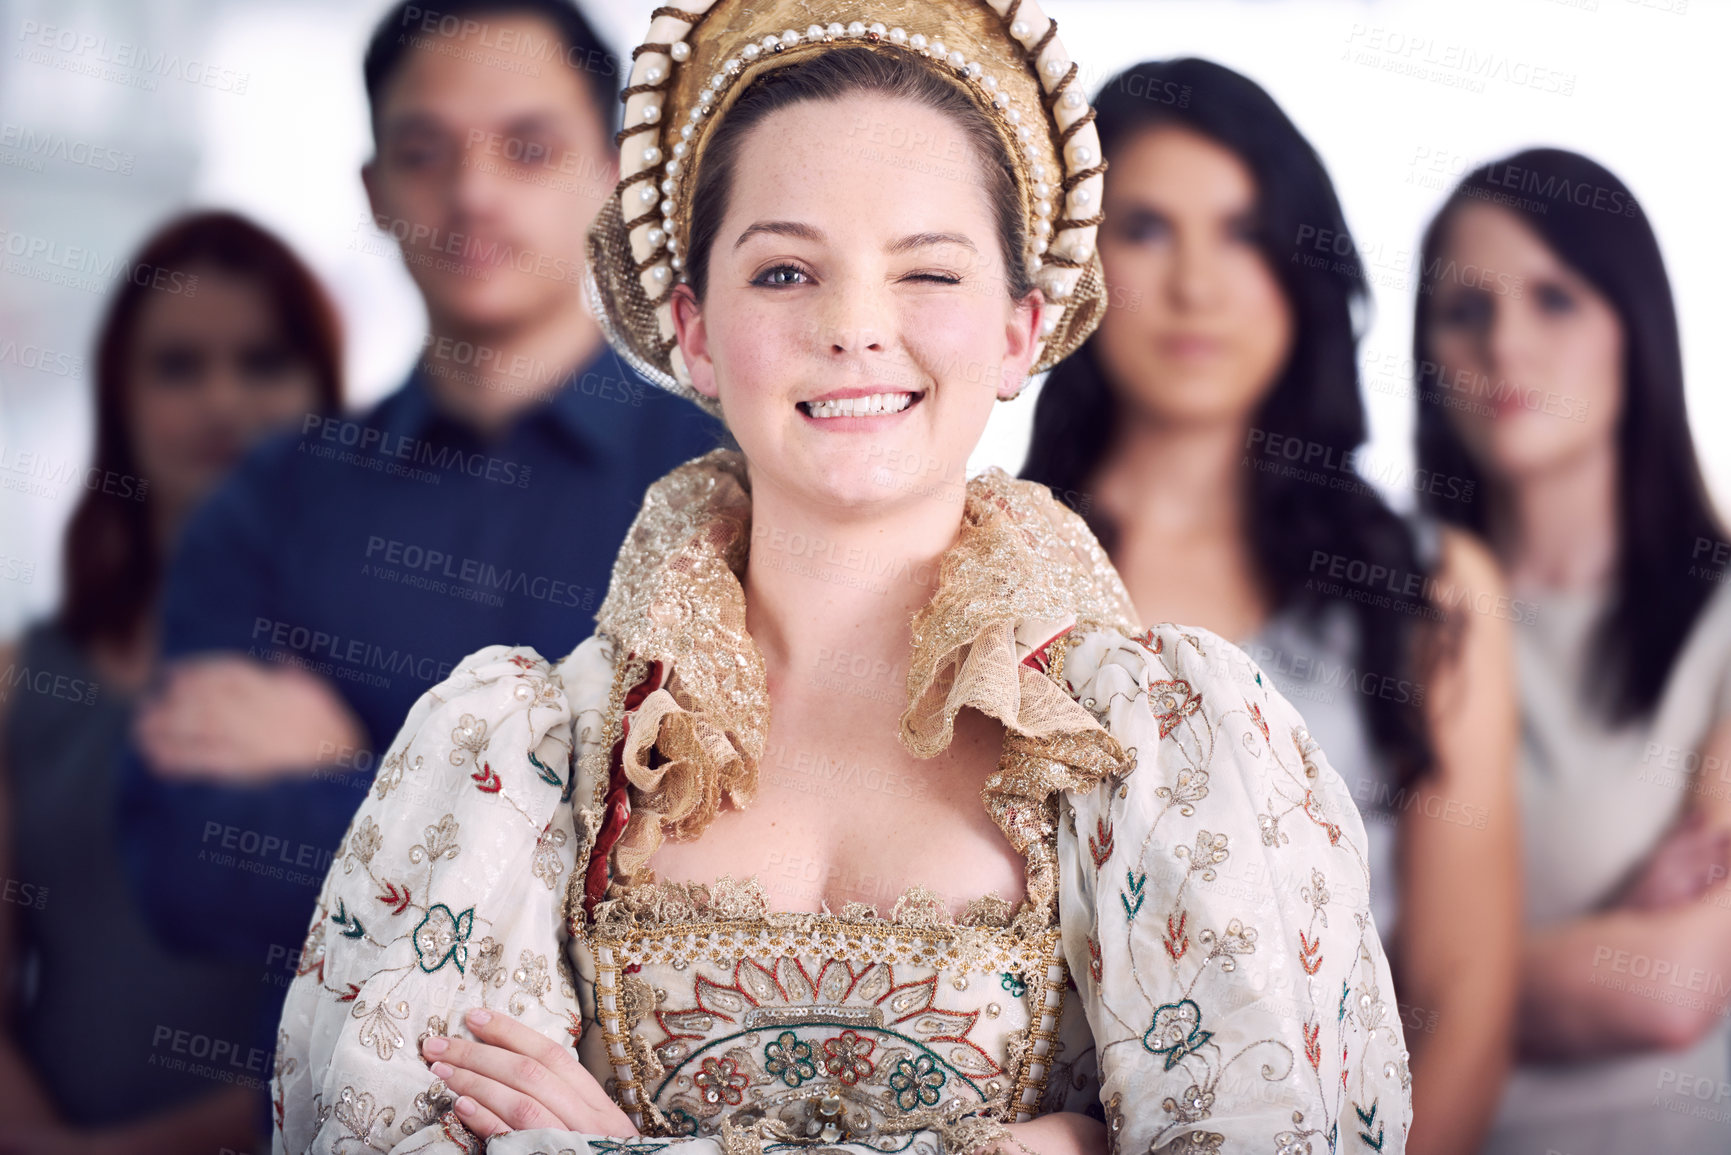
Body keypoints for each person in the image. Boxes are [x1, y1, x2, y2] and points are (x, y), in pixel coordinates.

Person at [272, 5, 1412, 1154]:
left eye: (927, 272)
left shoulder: (1163, 745)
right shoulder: (524, 758)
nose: (856, 327)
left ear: (1022, 329)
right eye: (782, 271)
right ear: (693, 329)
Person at [117, 0, 719, 1053]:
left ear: (616, 171)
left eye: (527, 148)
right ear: (375, 189)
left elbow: (693, 887)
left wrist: (364, 769)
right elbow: (185, 868)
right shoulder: (271, 498)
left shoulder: (719, 494)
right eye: (425, 153)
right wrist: (540, 818)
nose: (475, 193)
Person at [1019, 59, 1519, 1155]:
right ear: (1072, 266)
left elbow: (1463, 985)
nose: (1198, 283)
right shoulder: (987, 565)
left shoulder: (1432, 588)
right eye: (1146, 229)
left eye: (1244, 232)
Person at [0, 210, 342, 1152]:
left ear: (324, 389)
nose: (223, 401)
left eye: (263, 361)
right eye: (179, 365)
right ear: (120, 396)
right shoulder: (21, 682)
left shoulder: (391, 678)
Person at [1410, 148, 1731, 1154]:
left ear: (1636, 332)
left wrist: (1415, 974)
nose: (1506, 342)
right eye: (1466, 310)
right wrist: (1587, 957)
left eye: (1556, 299)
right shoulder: (1381, 625)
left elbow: (1673, 990)